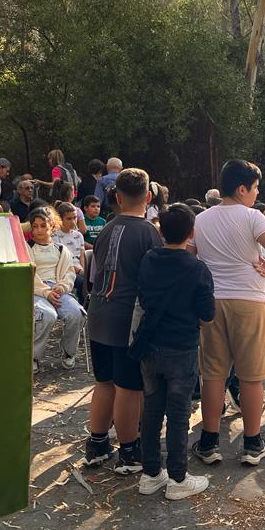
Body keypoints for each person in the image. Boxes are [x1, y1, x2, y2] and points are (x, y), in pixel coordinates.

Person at [189, 159, 265, 467]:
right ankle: (252, 444)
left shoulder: (201, 219)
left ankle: (209, 443)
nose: (256, 193)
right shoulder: (253, 216)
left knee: (213, 374)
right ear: (242, 188)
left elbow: (190, 256)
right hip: (249, 300)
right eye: (255, 188)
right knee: (251, 376)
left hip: (212, 302)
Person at [134, 203, 215, 500]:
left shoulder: (148, 259)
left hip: (149, 343)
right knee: (179, 414)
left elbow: (143, 297)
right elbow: (207, 314)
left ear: (161, 231)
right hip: (181, 346)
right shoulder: (197, 268)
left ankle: (151, 473)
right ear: (191, 233)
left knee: (152, 410)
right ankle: (178, 477)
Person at [84, 168, 162, 473]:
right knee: (129, 387)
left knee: (104, 382)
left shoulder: (105, 229)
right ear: (148, 196)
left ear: (117, 197)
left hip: (98, 313)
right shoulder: (148, 232)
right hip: (127, 318)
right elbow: (154, 279)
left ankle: (97, 444)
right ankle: (129, 451)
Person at [29, 206, 82, 372]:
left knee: (76, 313)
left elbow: (69, 272)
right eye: (35, 226)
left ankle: (68, 352)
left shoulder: (61, 249)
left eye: (43, 225)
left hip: (58, 289)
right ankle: (33, 356)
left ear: (52, 226)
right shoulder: (27, 248)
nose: (39, 230)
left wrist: (62, 287)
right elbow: (27, 275)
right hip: (36, 290)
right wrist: (46, 292)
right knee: (46, 315)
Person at [53, 201, 86, 299]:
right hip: (66, 271)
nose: (73, 221)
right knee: (82, 282)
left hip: (80, 270)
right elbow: (60, 260)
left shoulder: (79, 235)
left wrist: (84, 270)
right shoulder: (55, 236)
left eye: (75, 218)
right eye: (69, 219)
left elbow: (82, 256)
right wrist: (78, 271)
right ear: (60, 219)